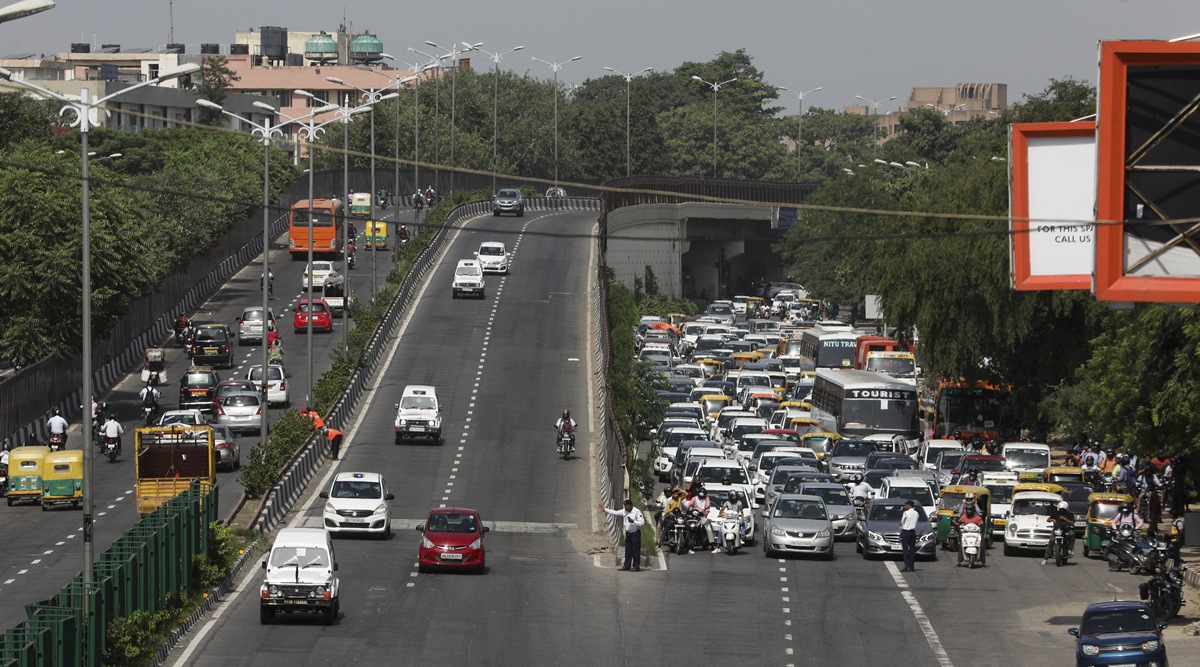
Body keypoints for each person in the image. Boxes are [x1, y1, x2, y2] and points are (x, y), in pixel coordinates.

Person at [599, 499, 644, 572]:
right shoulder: (624, 511)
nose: (626, 508)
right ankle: (627, 565)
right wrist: (605, 509)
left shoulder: (637, 512)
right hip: (628, 533)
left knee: (635, 550)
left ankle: (636, 566)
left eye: (627, 506)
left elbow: (642, 523)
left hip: (635, 533)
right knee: (628, 550)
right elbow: (615, 513)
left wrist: (634, 521)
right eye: (625, 506)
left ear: (631, 505)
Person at [686, 488, 715, 552]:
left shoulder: (707, 498)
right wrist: (685, 509)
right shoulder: (694, 498)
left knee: (708, 528)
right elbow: (689, 504)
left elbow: (707, 506)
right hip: (694, 516)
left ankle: (712, 544)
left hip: (702, 516)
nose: (701, 496)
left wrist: (705, 512)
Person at [899, 499, 919, 572]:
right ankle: (911, 566)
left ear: (910, 505)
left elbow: (902, 522)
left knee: (905, 549)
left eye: (906, 505)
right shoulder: (916, 513)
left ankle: (906, 566)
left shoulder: (906, 513)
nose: (905, 506)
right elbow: (916, 523)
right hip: (913, 532)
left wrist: (901, 531)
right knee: (912, 550)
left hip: (906, 531)